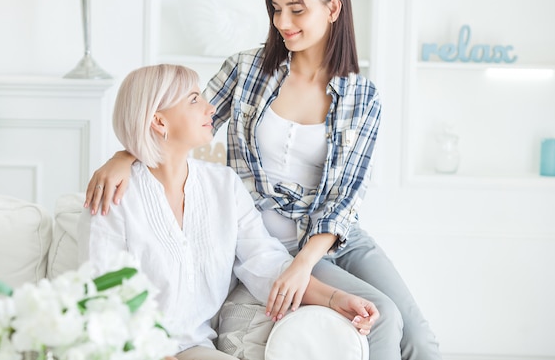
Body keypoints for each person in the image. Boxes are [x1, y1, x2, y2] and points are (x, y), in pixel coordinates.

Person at [84, 0, 442, 360]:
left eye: (296, 10)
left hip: (331, 236)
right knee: (385, 320)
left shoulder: (363, 97)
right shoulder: (247, 69)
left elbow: (345, 196)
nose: (282, 23)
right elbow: (176, 123)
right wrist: (122, 155)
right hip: (269, 236)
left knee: (420, 338)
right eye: (275, 10)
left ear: (333, 8)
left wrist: (304, 263)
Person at [78, 64, 379, 360]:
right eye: (194, 99)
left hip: (195, 348)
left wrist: (335, 298)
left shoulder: (223, 185)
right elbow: (100, 299)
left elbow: (265, 262)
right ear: (159, 122)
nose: (210, 108)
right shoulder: (113, 197)